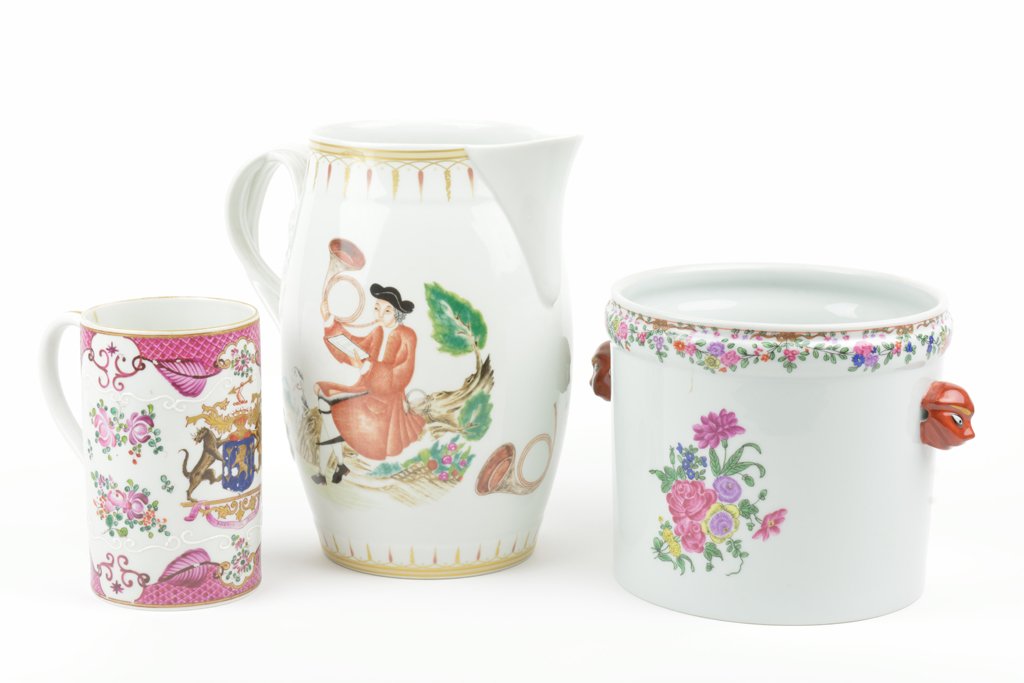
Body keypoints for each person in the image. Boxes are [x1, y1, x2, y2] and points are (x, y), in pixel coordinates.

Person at [313, 283, 426, 484]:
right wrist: (329, 320)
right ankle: (336, 466)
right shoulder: (378, 332)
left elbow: (401, 375)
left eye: (387, 310)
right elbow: (354, 346)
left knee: (326, 402)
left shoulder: (407, 336)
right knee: (322, 394)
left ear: (397, 313)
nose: (380, 314)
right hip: (364, 388)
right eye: (376, 308)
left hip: (385, 400)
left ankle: (333, 467)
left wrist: (367, 368)